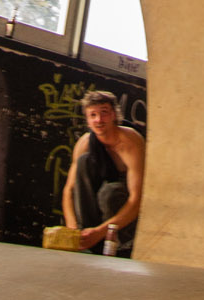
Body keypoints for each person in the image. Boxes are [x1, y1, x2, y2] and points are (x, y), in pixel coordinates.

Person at [62, 90, 145, 255]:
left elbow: (137, 200)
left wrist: (100, 232)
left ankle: (115, 244)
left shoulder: (130, 142)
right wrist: (73, 231)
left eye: (104, 113)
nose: (98, 120)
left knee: (109, 193)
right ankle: (86, 239)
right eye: (92, 115)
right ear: (87, 120)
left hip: (120, 207)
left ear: (114, 114)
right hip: (95, 204)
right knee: (83, 161)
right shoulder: (84, 143)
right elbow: (69, 191)